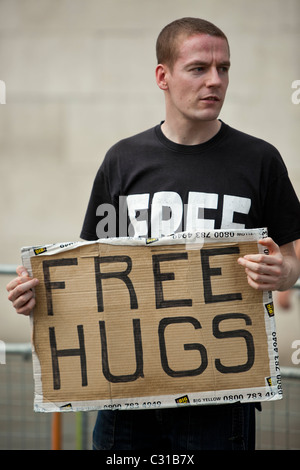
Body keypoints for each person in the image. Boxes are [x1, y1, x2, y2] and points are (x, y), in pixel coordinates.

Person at [6, 17, 300, 450]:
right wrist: (38, 296)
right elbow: (94, 268)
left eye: (224, 68)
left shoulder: (260, 160)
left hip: (222, 399)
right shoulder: (123, 161)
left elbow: (293, 258)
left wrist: (284, 272)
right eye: (199, 68)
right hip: (127, 397)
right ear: (163, 76)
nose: (215, 81)